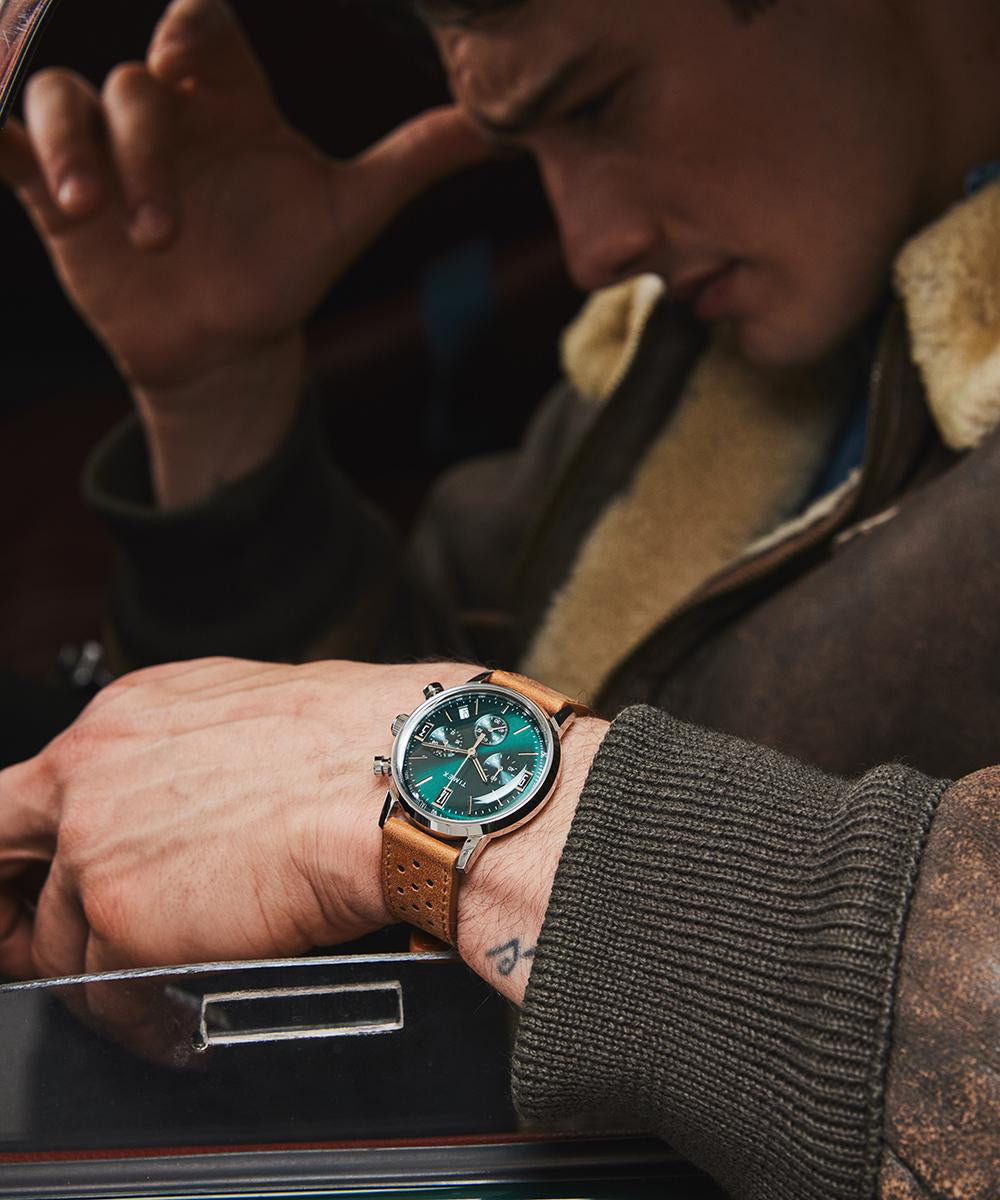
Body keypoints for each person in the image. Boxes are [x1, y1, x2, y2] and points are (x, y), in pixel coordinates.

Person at [0, 0, 998, 1196]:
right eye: (531, 149)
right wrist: (221, 400)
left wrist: (476, 813)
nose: (588, 247)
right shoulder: (675, 373)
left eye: (595, 102)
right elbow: (342, 761)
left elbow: (392, 766)